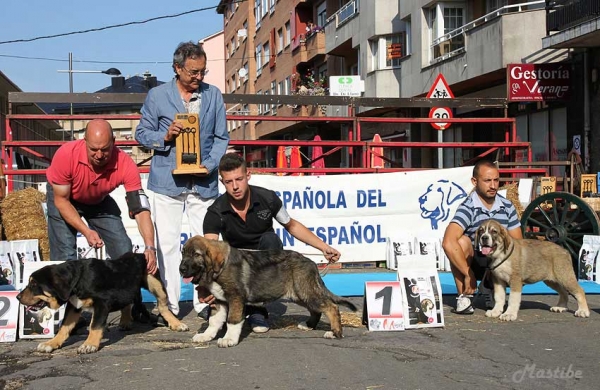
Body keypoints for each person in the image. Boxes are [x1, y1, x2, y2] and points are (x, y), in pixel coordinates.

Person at [135, 41, 229, 320]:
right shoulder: (157, 96)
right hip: (167, 182)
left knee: (206, 246)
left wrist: (209, 165)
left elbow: (222, 138)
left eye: (202, 71)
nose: (199, 77)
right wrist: (163, 137)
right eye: (192, 72)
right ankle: (171, 307)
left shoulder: (214, 96)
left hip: (203, 183)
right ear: (177, 68)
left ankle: (205, 304)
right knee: (167, 245)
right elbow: (142, 133)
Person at [201, 153, 341, 333]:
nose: (235, 186)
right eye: (229, 182)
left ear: (248, 175)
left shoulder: (268, 198)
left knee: (270, 239)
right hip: (238, 266)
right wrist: (204, 286)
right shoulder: (215, 212)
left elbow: (291, 225)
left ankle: (257, 310)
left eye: (239, 179)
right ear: (222, 181)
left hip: (267, 259)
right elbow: (210, 251)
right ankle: (238, 309)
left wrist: (324, 247)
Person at [46, 119, 157, 323]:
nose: (99, 155)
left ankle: (133, 306)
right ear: (84, 142)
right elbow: (61, 201)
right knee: (66, 255)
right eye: (93, 149)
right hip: (65, 198)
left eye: (105, 149)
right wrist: (86, 230)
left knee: (124, 249)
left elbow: (140, 209)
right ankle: (71, 316)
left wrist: (150, 246)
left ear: (114, 142)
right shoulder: (65, 155)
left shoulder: (125, 163)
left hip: (98, 200)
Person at [442, 160, 522, 314]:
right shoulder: (468, 207)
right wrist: (468, 273)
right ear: (474, 181)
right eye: (487, 180)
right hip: (476, 262)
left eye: (496, 180)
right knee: (460, 242)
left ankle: (491, 288)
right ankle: (464, 297)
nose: (493, 185)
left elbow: (518, 243)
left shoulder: (507, 206)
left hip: (500, 262)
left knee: (516, 250)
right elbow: (448, 243)